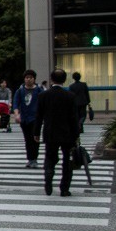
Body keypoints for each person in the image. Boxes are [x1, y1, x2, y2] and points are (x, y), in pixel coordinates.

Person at [35, 69, 81, 197]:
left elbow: (39, 116)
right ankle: (64, 188)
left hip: (50, 132)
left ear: (51, 79)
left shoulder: (43, 96)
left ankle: (48, 177)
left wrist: (36, 132)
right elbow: (74, 118)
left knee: (50, 157)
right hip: (68, 133)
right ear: (65, 80)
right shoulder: (70, 96)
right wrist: (77, 134)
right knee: (67, 161)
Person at [13, 70, 43, 169]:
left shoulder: (39, 90)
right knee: (27, 139)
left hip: (35, 118)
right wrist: (17, 115)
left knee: (35, 138)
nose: (28, 79)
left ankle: (34, 158)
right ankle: (30, 159)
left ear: (34, 79)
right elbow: (16, 104)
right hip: (24, 119)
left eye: (30, 77)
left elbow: (44, 103)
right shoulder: (20, 91)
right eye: (27, 77)